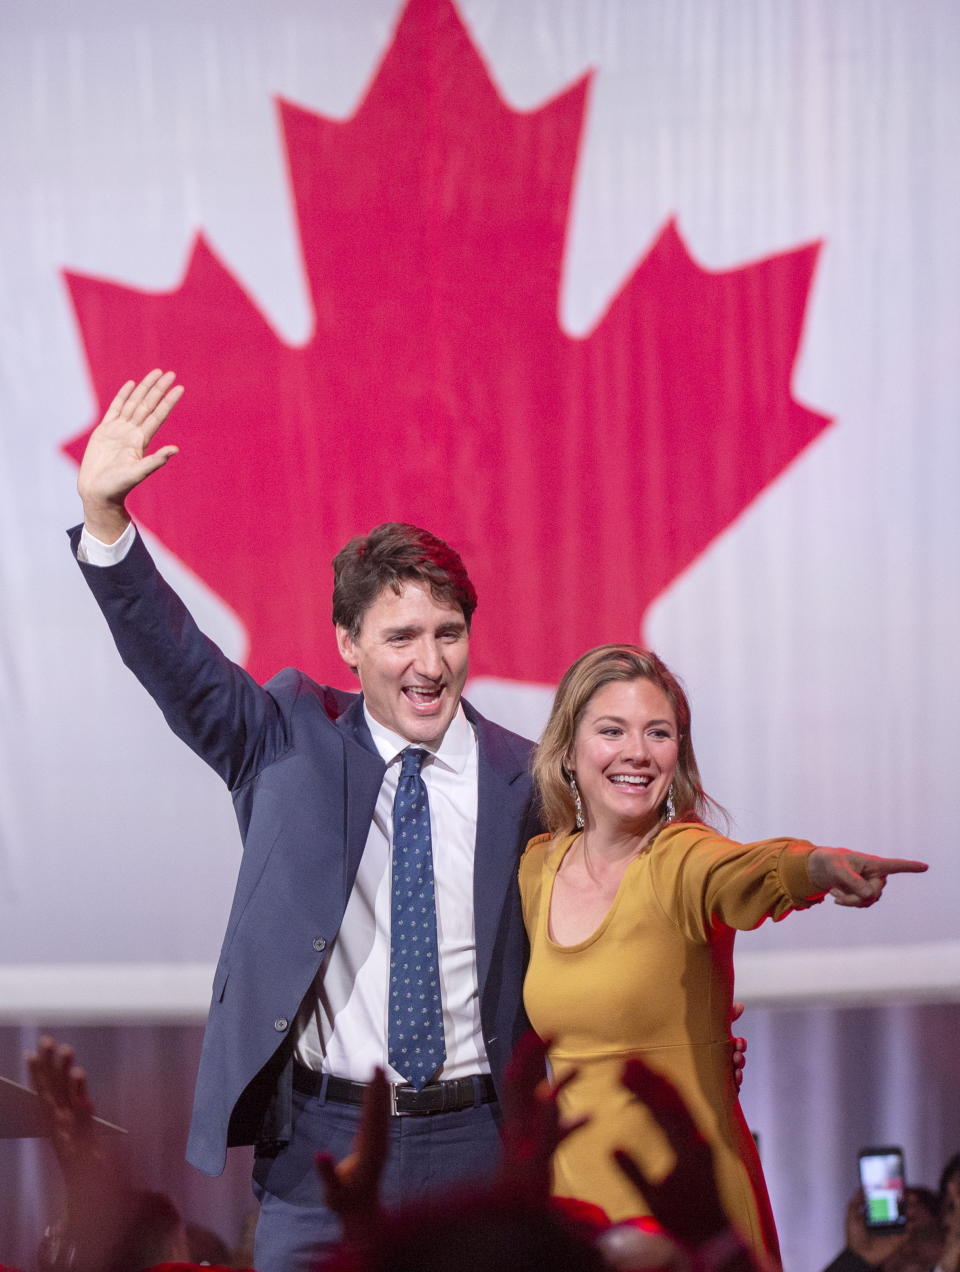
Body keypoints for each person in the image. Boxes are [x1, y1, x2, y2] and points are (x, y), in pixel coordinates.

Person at [70, 373, 743, 1272]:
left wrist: (683, 1032)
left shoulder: (529, 778)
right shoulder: (286, 738)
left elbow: (618, 906)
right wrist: (108, 526)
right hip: (322, 1145)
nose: (430, 663)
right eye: (401, 638)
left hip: (482, 1139)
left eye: (449, 632)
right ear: (348, 644)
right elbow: (178, 665)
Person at [519, 644, 929, 1270]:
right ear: (569, 750)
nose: (637, 751)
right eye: (612, 731)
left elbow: (749, 870)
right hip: (576, 1217)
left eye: (659, 733)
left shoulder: (681, 856)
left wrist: (817, 866)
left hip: (690, 1215)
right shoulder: (538, 869)